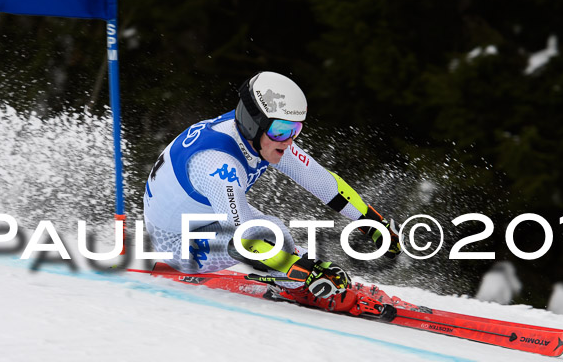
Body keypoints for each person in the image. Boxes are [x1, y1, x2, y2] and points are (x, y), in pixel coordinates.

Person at [143, 71, 401, 311]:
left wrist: (370, 220)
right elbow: (242, 240)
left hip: (204, 218)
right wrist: (303, 273)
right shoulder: (219, 163)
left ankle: (299, 277)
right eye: (282, 130)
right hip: (176, 244)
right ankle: (298, 289)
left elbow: (318, 179)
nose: (289, 141)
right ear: (254, 124)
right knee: (272, 237)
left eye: (295, 130)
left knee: (276, 233)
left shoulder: (260, 137)